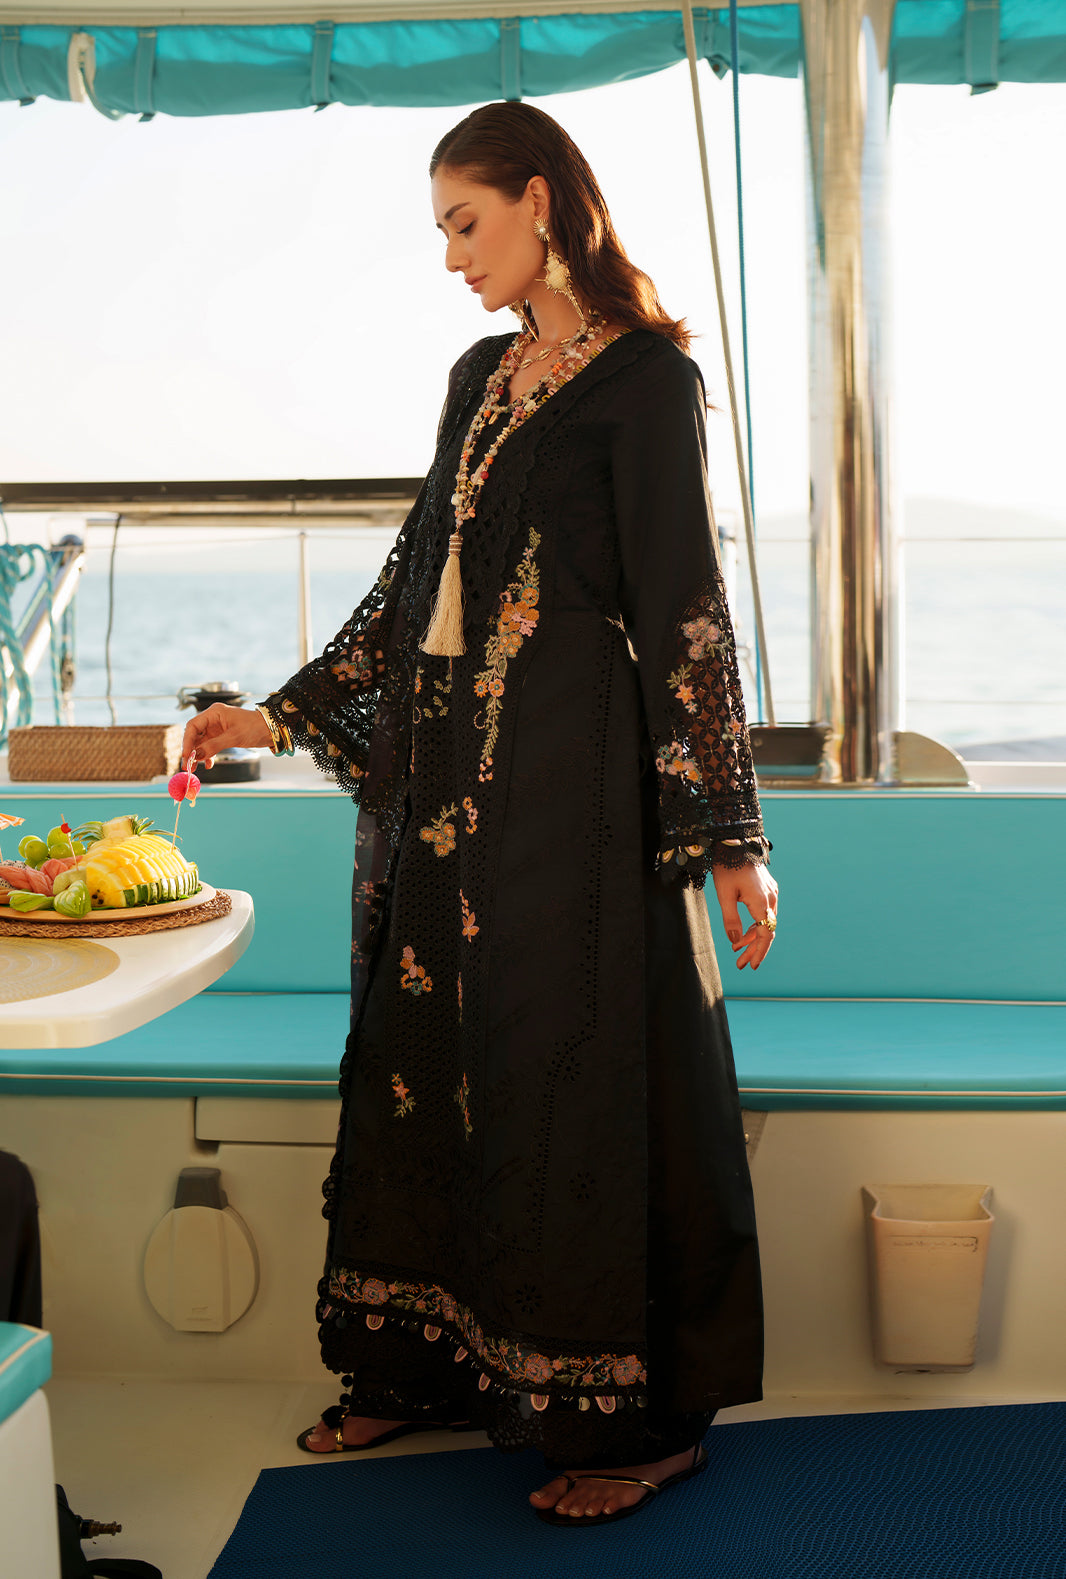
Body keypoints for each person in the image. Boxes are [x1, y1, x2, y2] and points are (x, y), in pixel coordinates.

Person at [181, 100, 778, 1528]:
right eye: (442, 231)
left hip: (579, 794)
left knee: (562, 1071)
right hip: (448, 794)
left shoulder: (647, 380)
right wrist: (276, 715)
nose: (452, 257)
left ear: (540, 201)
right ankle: (425, 1368)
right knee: (425, 1051)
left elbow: (683, 605)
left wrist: (729, 836)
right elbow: (416, 578)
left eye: (465, 223)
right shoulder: (479, 375)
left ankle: (632, 1425)